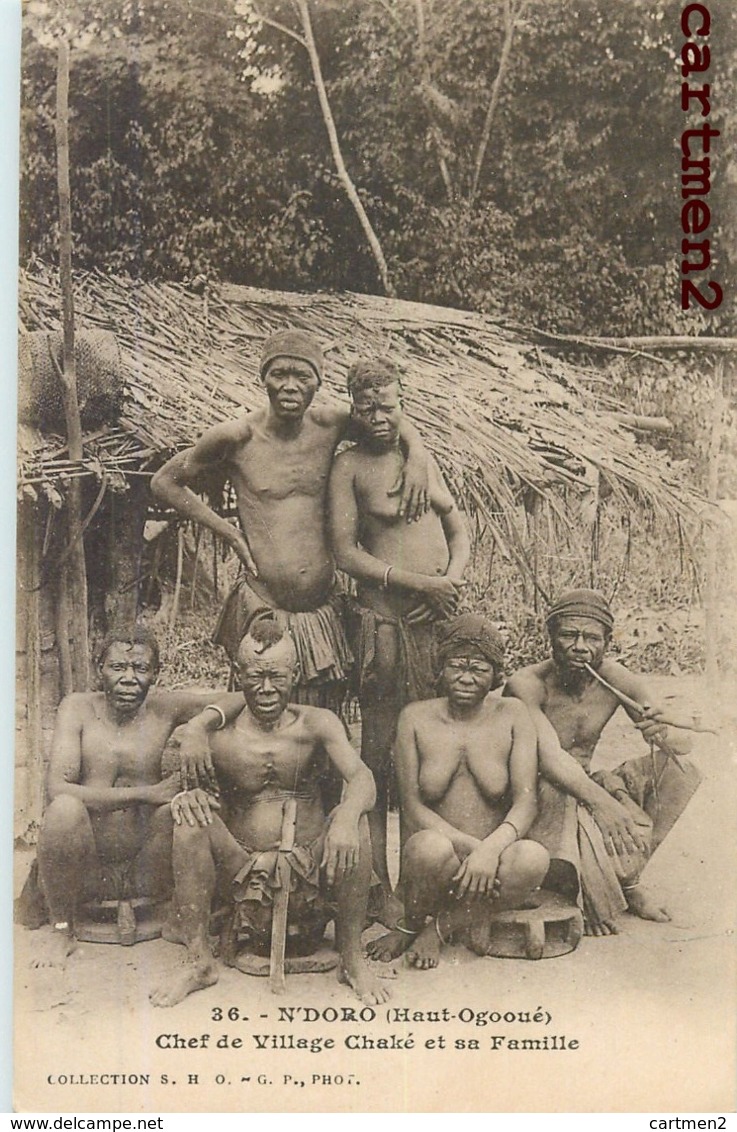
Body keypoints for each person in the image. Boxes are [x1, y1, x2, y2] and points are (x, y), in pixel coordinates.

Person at [150, 329, 429, 730]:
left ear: (318, 382)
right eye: (279, 373)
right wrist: (227, 531)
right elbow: (164, 482)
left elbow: (383, 415)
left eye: (303, 376)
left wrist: (416, 454)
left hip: (322, 610)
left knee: (321, 725)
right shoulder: (235, 437)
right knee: (261, 717)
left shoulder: (330, 425)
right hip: (265, 601)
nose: (290, 386)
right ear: (263, 377)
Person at [149, 618, 389, 1009]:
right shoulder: (217, 734)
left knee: (356, 822)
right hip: (242, 870)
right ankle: (199, 963)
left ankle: (352, 960)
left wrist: (345, 815)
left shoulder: (317, 723)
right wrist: (193, 741)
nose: (265, 688)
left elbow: (362, 777)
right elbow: (182, 781)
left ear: (294, 674)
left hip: (313, 867)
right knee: (191, 821)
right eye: (255, 675)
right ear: (237, 674)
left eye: (276, 676)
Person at [328, 357, 470, 921]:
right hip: (384, 626)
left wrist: (453, 578)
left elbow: (458, 526)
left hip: (435, 627)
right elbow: (346, 552)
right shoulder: (349, 468)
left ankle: (426, 880)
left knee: (431, 752)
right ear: (353, 410)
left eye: (389, 406)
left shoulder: (421, 458)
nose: (379, 417)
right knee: (382, 756)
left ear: (402, 402)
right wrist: (417, 581)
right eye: (367, 408)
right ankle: (378, 884)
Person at [27, 626, 242, 970]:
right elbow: (58, 788)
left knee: (182, 809)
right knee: (64, 810)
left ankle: (185, 928)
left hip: (147, 864)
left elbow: (237, 697)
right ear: (100, 670)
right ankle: (62, 930)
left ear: (155, 674)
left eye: (141, 669)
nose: (129, 678)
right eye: (118, 668)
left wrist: (199, 727)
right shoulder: (77, 708)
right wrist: (150, 792)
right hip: (89, 865)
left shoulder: (165, 707)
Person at [505, 588, 701, 935]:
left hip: (585, 783)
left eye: (592, 637)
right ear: (550, 637)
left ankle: (627, 880)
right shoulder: (527, 684)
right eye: (569, 635)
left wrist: (664, 729)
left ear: (607, 641)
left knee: (680, 773)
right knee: (559, 787)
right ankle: (583, 894)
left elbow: (682, 745)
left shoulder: (614, 677)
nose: (580, 646)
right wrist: (605, 805)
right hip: (540, 789)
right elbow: (549, 759)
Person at [367, 614, 549, 969]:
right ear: (440, 669)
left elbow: (526, 802)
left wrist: (492, 852)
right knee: (426, 847)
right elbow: (412, 808)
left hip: (495, 863)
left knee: (533, 858)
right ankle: (415, 922)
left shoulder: (513, 714)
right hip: (441, 863)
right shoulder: (415, 718)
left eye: (478, 669)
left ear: (496, 674)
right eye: (456, 667)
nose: (466, 678)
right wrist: (475, 852)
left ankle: (436, 929)